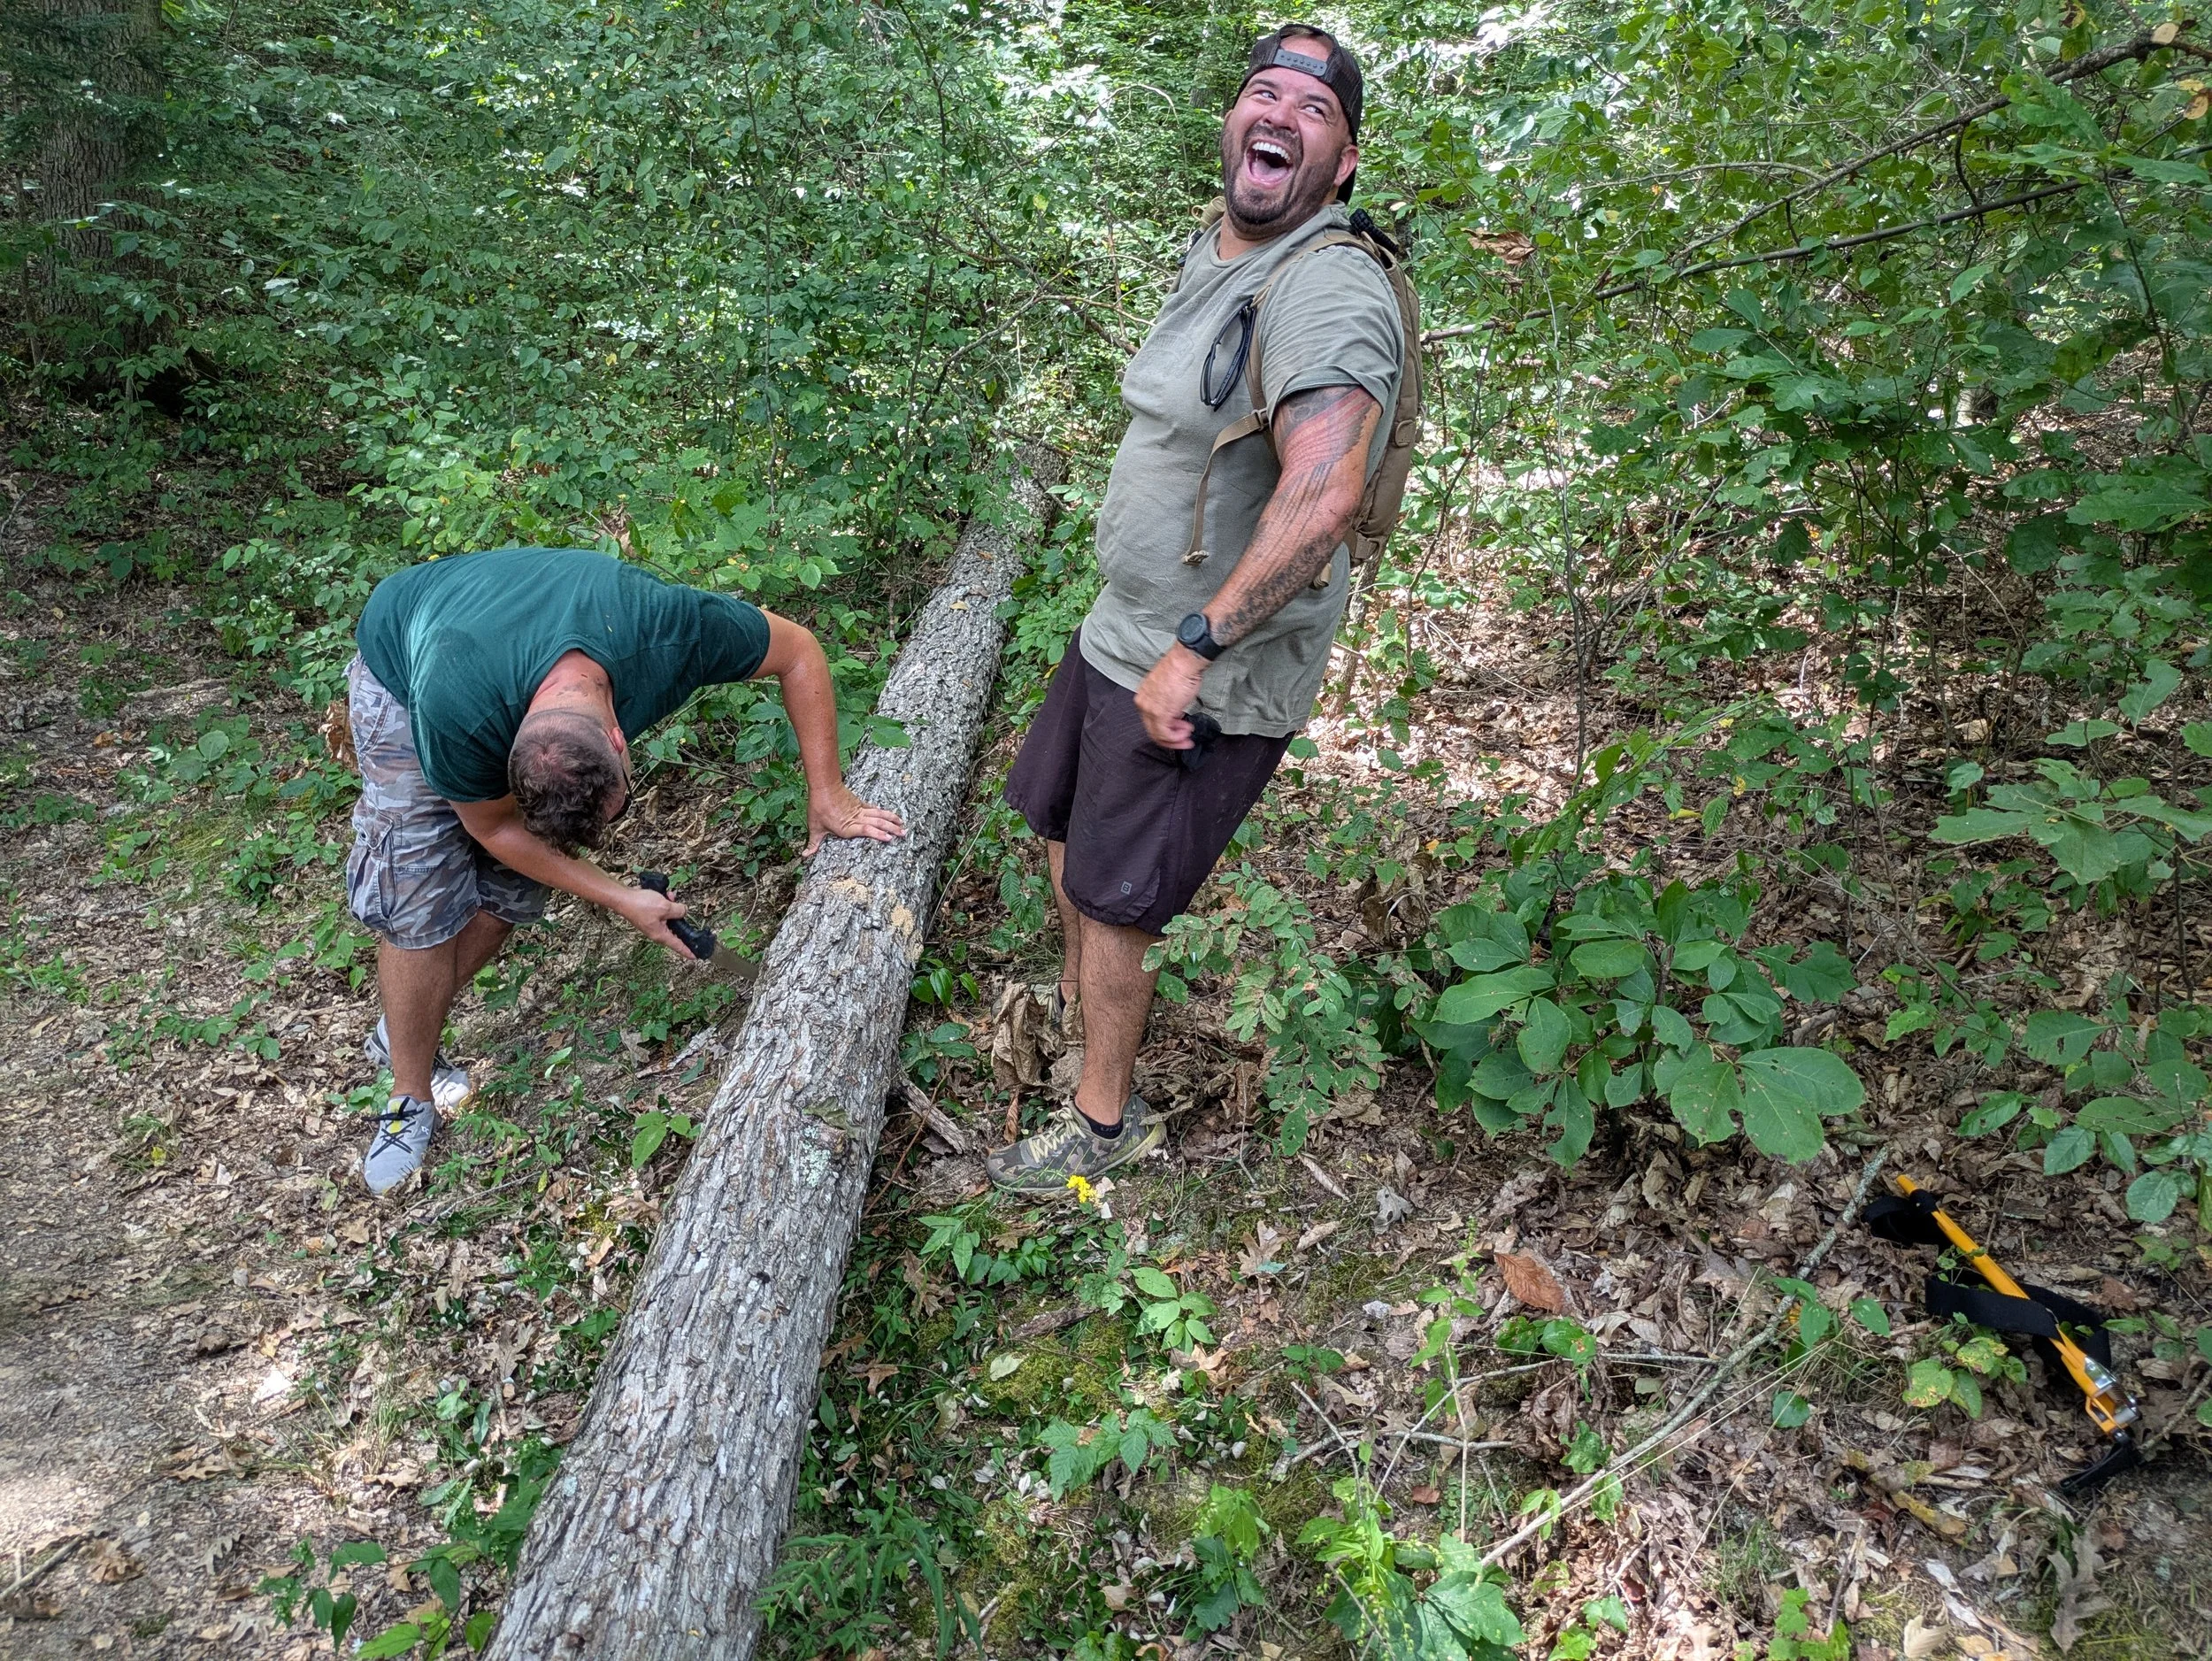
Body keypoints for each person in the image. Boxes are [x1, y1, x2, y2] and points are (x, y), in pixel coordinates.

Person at [987, 24, 1402, 1191]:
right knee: (1071, 841)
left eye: (1312, 110)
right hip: (1124, 632)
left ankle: (1105, 1124)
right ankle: (1083, 1026)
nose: (1279, 115)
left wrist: (1194, 647)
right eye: (1263, 94)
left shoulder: (1329, 287)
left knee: (1117, 900)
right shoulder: (1220, 249)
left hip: (1197, 665)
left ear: (1346, 159)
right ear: (1233, 124)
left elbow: (1323, 497)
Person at [344, 545, 905, 1194]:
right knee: (419, 904)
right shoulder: (457, 706)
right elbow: (495, 827)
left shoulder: (667, 628)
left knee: (512, 892)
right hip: (404, 669)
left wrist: (828, 793)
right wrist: (618, 897)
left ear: (618, 737)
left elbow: (799, 649)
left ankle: (405, 1024)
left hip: (509, 630)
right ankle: (408, 1095)